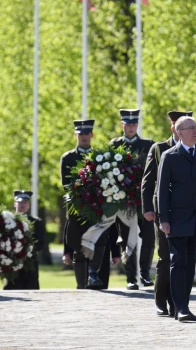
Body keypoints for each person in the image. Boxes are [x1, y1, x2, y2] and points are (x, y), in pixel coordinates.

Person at [157, 116, 196, 322]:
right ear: (179, 132)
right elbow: (162, 190)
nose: (195, 131)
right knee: (177, 262)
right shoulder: (169, 156)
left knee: (189, 264)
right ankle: (180, 308)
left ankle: (183, 305)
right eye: (190, 128)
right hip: (177, 218)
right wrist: (164, 219)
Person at [142, 110, 192, 317]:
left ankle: (178, 303)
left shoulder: (193, 148)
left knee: (182, 258)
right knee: (165, 256)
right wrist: (148, 208)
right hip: (163, 211)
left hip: (185, 211)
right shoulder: (159, 148)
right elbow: (148, 180)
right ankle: (161, 300)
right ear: (173, 127)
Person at [61, 119, 116, 289]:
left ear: (92, 135)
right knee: (79, 245)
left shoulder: (100, 157)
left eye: (86, 134)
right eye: (80, 134)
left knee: (99, 241)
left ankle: (93, 274)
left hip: (97, 207)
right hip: (78, 209)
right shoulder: (68, 158)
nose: (83, 137)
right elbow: (66, 185)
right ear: (75, 135)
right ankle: (81, 282)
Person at [110, 108, 155, 290]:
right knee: (126, 239)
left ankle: (144, 272)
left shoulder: (147, 144)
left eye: (134, 124)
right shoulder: (114, 145)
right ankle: (130, 277)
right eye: (127, 124)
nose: (131, 127)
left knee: (149, 238)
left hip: (144, 201)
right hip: (124, 201)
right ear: (122, 124)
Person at [4, 190, 46, 290]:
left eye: (25, 202)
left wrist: (26, 249)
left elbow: (40, 243)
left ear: (29, 205)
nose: (22, 205)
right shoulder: (7, 221)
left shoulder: (36, 222)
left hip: (30, 264)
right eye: (20, 203)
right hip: (12, 263)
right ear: (15, 204)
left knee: (31, 291)